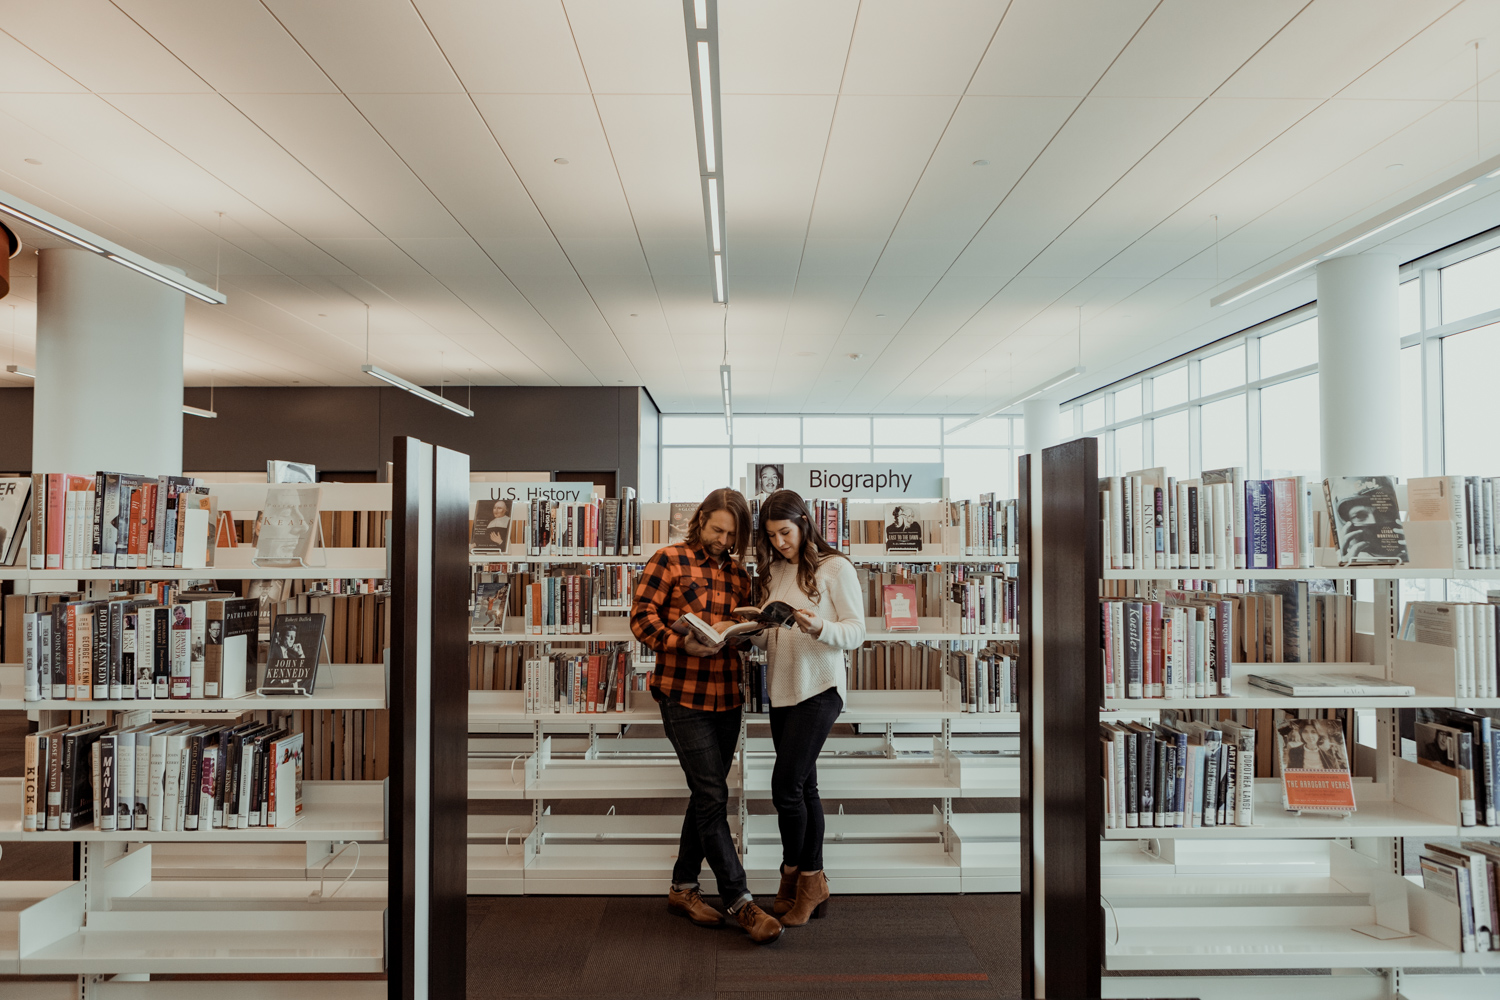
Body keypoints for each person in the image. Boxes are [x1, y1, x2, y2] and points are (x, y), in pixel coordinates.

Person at [630, 487, 782, 944]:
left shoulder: (738, 574)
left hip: (726, 697)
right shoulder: (668, 559)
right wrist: (680, 642)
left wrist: (746, 631)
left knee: (706, 794)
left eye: (732, 535)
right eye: (718, 530)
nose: (723, 541)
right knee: (713, 793)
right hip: (682, 694)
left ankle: (683, 887)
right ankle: (741, 900)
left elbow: (738, 632)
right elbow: (641, 618)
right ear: (700, 520)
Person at [751, 489, 866, 926]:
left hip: (819, 689)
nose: (780, 543)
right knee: (804, 790)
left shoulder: (835, 567)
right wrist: (752, 630)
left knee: (785, 788)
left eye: (785, 532)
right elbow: (771, 637)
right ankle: (805, 883)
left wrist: (820, 626)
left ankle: (802, 875)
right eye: (771, 536)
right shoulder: (774, 571)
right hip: (782, 689)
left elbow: (856, 632)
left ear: (804, 522)